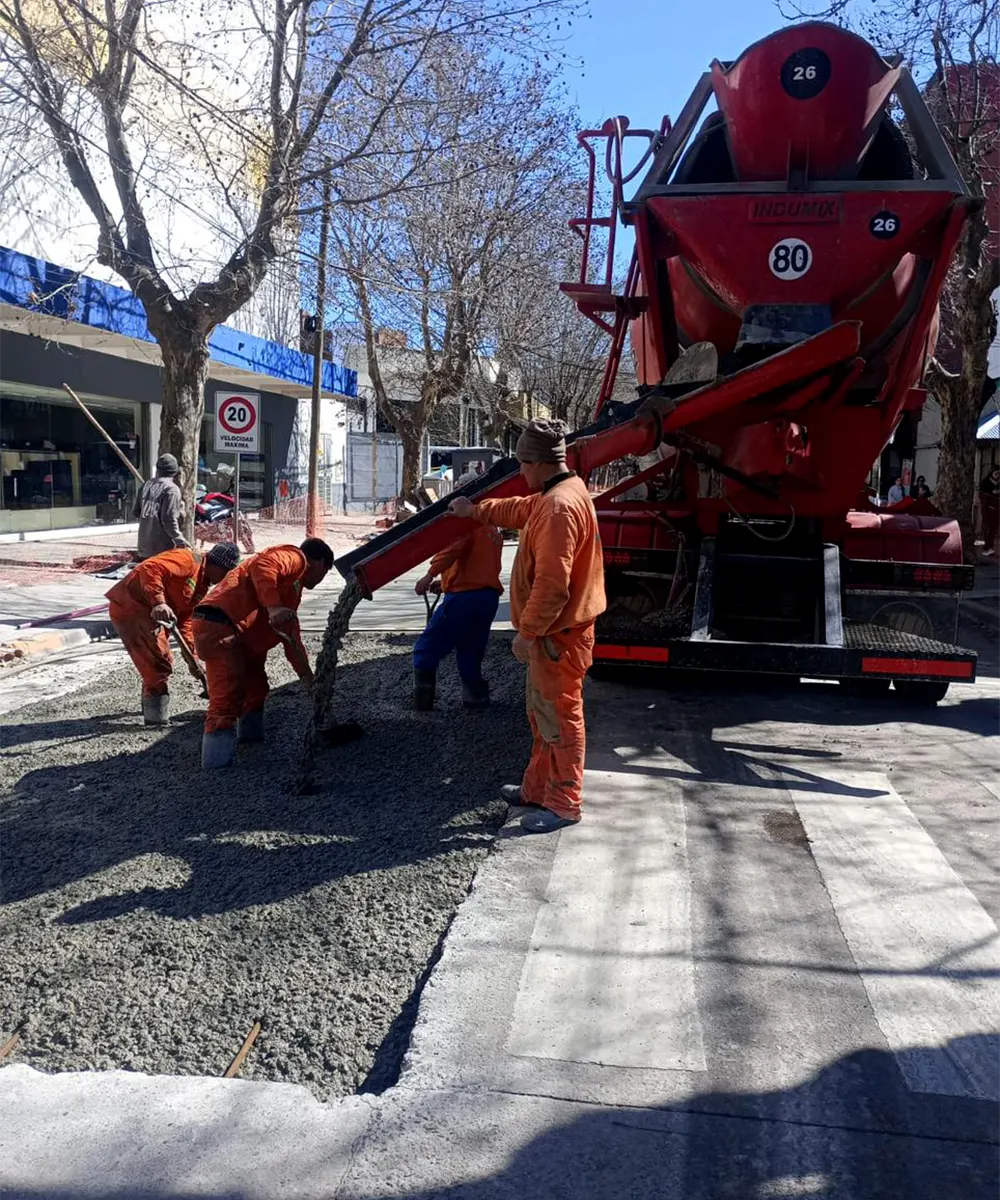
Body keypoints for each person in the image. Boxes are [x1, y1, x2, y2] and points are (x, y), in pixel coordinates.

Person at [449, 418, 606, 834]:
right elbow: (518, 508)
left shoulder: (558, 507)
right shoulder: (557, 495)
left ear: (538, 462)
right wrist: (475, 510)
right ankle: (536, 790)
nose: (519, 471)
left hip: (558, 636)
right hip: (557, 636)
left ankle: (564, 804)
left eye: (522, 463)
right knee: (543, 719)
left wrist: (528, 632)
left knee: (560, 717)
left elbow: (553, 586)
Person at [191, 538, 334, 768]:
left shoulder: (290, 590)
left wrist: (310, 681)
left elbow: (291, 640)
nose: (320, 580)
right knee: (225, 699)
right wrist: (273, 606)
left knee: (256, 687)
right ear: (318, 563)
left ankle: (250, 740)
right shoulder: (295, 557)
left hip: (238, 635)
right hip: (221, 624)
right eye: (324, 573)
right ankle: (215, 770)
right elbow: (264, 566)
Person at [106, 542, 240, 726]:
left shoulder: (201, 586)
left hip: (150, 614)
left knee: (158, 661)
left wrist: (193, 657)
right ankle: (155, 720)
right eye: (226, 573)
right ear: (217, 565)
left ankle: (153, 705)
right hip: (133, 607)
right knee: (159, 664)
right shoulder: (188, 560)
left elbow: (184, 620)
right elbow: (150, 568)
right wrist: (158, 602)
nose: (225, 578)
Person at [412, 524, 504, 711]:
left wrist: (429, 576)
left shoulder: (466, 524)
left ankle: (422, 704)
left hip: (464, 599)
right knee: (471, 649)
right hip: (487, 598)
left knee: (426, 648)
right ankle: (475, 700)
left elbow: (453, 549)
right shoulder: (492, 530)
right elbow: (477, 565)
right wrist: (446, 584)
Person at [133, 454, 189, 560]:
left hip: (144, 546)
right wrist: (180, 541)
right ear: (175, 471)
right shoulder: (171, 489)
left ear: (158, 469)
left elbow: (136, 512)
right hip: (162, 549)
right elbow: (168, 520)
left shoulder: (146, 484)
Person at [979, 467, 1000, 556]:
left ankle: (990, 547)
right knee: (988, 527)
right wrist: (992, 494)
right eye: (996, 473)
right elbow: (981, 495)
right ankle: (986, 547)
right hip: (988, 508)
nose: (997, 476)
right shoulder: (985, 482)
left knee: (994, 529)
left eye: (999, 474)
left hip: (998, 508)